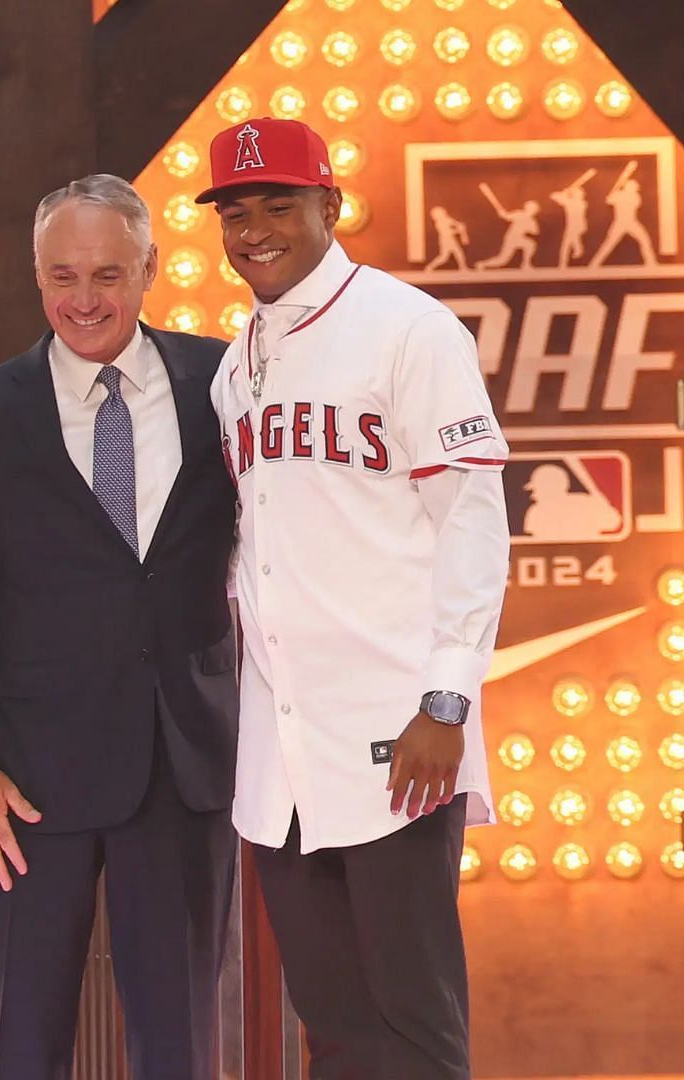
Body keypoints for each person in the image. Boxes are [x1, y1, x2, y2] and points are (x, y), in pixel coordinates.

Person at [199, 116, 508, 1079]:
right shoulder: (231, 369)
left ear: (329, 205)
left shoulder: (408, 329)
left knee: (412, 1020)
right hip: (282, 749)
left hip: (399, 736)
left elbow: (471, 521)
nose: (255, 228)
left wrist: (447, 701)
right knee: (331, 1024)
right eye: (235, 210)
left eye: (279, 204)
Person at [0, 174, 238, 1079]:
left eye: (108, 275)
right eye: (63, 276)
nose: (85, 300)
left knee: (180, 1043)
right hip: (25, 783)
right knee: (23, 1041)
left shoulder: (223, 384)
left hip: (186, 765)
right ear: (35, 274)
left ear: (151, 270)